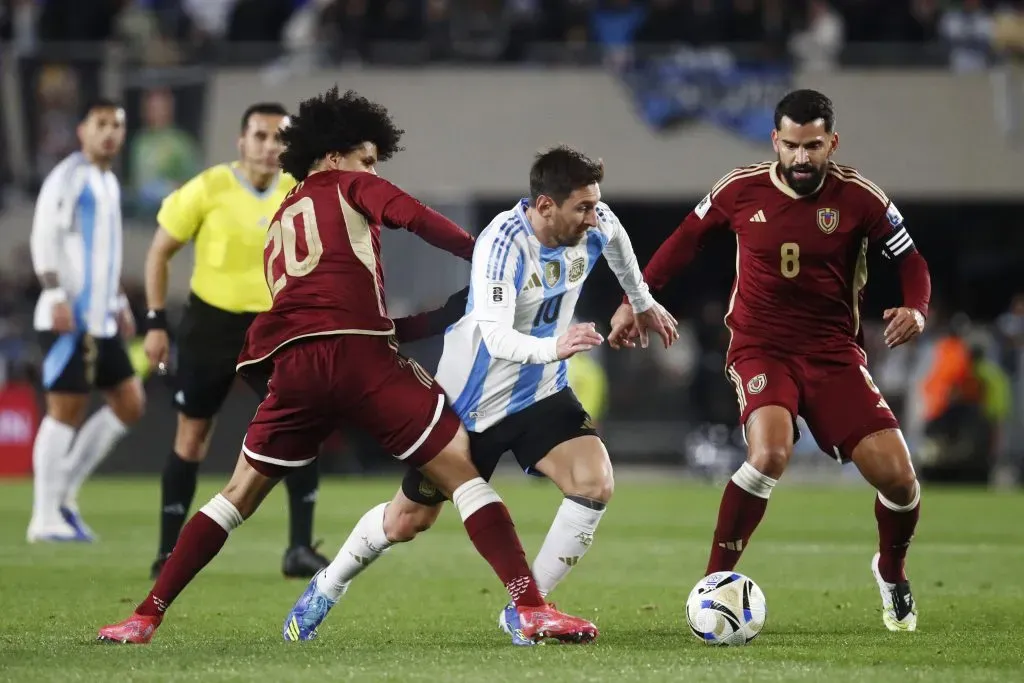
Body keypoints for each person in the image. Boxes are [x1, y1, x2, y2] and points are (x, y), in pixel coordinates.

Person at [97, 87, 598, 646]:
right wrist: (483, 255)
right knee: (462, 474)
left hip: (297, 369)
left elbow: (332, 315)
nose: (373, 171)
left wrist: (437, 317)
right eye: (368, 159)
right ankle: (529, 607)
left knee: (235, 496)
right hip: (361, 360)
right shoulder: (349, 184)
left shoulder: (279, 221)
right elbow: (414, 218)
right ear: (334, 156)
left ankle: (145, 616)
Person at [280, 145, 678, 644]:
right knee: (407, 521)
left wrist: (640, 301)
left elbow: (618, 243)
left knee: (594, 482)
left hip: (540, 391)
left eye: (596, 205)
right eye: (583, 208)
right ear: (545, 205)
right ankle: (328, 584)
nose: (593, 217)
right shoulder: (502, 243)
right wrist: (556, 347)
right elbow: (496, 337)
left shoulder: (596, 222)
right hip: (470, 403)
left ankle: (528, 611)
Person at [609, 89, 931, 633]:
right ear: (775, 141)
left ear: (832, 143)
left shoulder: (861, 198)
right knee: (770, 453)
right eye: (792, 145)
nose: (801, 158)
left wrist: (916, 309)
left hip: (833, 354)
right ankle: (712, 586)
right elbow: (684, 241)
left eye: (813, 146)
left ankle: (891, 571)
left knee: (900, 482)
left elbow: (912, 260)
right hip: (761, 347)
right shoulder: (740, 188)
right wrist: (634, 300)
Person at [142, 103, 329, 580]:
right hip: (211, 324)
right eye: (260, 136)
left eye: (279, 138)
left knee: (300, 426)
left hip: (275, 326)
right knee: (192, 436)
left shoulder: (300, 190)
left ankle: (299, 548)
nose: (269, 147)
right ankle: (166, 552)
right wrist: (156, 322)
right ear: (241, 141)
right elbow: (159, 252)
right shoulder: (208, 187)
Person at [27, 98, 144, 543]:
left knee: (130, 403)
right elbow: (44, 235)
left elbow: (105, 250)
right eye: (101, 124)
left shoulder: (109, 181)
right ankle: (43, 517)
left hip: (102, 318)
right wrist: (55, 292)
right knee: (65, 411)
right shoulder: (68, 176)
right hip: (68, 317)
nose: (109, 132)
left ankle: (64, 497)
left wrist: (119, 301)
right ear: (83, 131)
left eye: (117, 125)